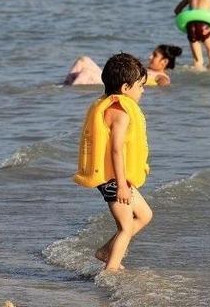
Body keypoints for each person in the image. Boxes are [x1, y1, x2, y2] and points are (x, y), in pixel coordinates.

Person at [73, 53, 153, 272]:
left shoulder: (114, 107)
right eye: (140, 86)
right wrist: (121, 185)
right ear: (126, 87)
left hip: (116, 177)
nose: (143, 90)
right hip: (113, 179)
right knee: (126, 227)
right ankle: (111, 271)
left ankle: (106, 252)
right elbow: (117, 150)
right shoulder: (119, 113)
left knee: (145, 215)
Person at [64, 45, 183, 86]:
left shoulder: (161, 76)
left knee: (86, 73)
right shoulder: (145, 68)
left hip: (114, 82)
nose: (150, 57)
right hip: (111, 75)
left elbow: (164, 83)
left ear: (165, 62)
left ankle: (66, 92)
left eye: (155, 55)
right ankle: (64, 86)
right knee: (83, 60)